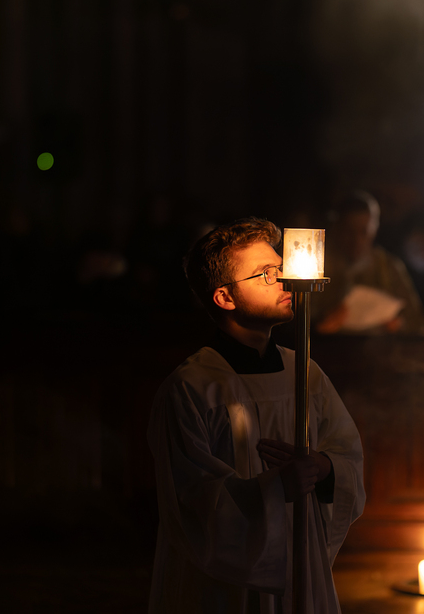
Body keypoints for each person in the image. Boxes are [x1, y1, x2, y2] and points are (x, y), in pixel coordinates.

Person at [148, 217, 365, 614]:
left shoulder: (304, 373)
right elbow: (191, 502)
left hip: (299, 558)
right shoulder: (193, 387)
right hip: (224, 587)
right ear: (224, 297)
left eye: (281, 268)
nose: (284, 281)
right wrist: (275, 487)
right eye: (267, 274)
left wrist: (322, 467)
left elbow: (347, 453)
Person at [314, 190, 424, 333]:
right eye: (349, 231)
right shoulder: (317, 266)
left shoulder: (388, 267)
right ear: (338, 228)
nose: (356, 240)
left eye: (364, 232)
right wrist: (323, 321)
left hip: (379, 346)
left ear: (375, 229)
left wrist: (399, 324)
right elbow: (299, 316)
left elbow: (417, 322)